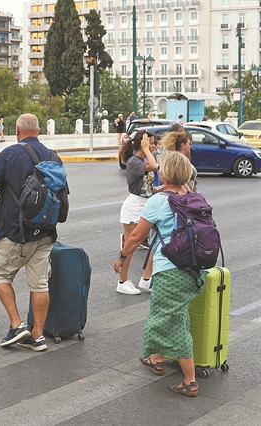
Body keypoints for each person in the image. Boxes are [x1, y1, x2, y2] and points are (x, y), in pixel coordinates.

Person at [114, 151, 203, 397]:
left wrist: (122, 258)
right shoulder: (194, 197)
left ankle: (190, 380)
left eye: (161, 168)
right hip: (195, 272)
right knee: (174, 316)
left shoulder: (160, 201)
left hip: (171, 272)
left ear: (166, 173)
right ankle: (157, 358)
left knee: (171, 323)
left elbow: (135, 236)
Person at [0, 113, 66, 352]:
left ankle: (17, 325)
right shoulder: (53, 156)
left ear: (18, 131)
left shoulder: (10, 153)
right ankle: (38, 336)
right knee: (40, 284)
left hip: (15, 230)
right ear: (39, 131)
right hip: (46, 231)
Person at [117, 130, 158, 295]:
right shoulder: (135, 161)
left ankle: (146, 279)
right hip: (134, 206)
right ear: (143, 144)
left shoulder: (141, 160)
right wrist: (147, 149)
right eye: (151, 143)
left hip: (146, 204)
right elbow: (154, 166)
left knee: (156, 241)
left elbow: (146, 185)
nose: (154, 146)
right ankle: (122, 281)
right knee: (131, 246)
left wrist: (159, 189)